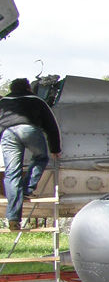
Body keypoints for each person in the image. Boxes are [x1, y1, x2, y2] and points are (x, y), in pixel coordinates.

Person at [0, 78, 62, 231]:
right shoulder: (37, 100)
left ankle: (13, 218)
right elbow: (51, 126)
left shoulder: (3, 102)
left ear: (12, 89)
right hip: (29, 129)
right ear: (28, 89)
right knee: (40, 157)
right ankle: (27, 189)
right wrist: (55, 149)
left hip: (8, 133)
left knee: (11, 173)